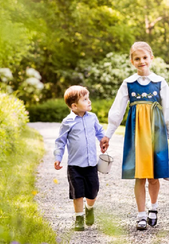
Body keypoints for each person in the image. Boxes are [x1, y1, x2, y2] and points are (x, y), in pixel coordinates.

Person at [100, 41, 169, 230]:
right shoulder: (128, 84)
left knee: (154, 175)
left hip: (156, 132)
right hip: (136, 134)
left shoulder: (159, 82)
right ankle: (141, 214)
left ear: (151, 58)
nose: (141, 61)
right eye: (137, 58)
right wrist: (108, 135)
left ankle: (154, 207)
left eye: (144, 57)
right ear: (132, 61)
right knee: (139, 175)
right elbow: (117, 111)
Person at [54, 85, 108, 231]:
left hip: (91, 164)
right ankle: (79, 218)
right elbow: (61, 141)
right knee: (77, 192)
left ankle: (89, 208)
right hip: (75, 165)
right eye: (85, 99)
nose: (89, 101)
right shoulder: (67, 122)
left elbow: (99, 132)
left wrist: (103, 140)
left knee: (93, 191)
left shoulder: (93, 118)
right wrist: (58, 157)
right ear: (74, 105)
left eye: (88, 98)